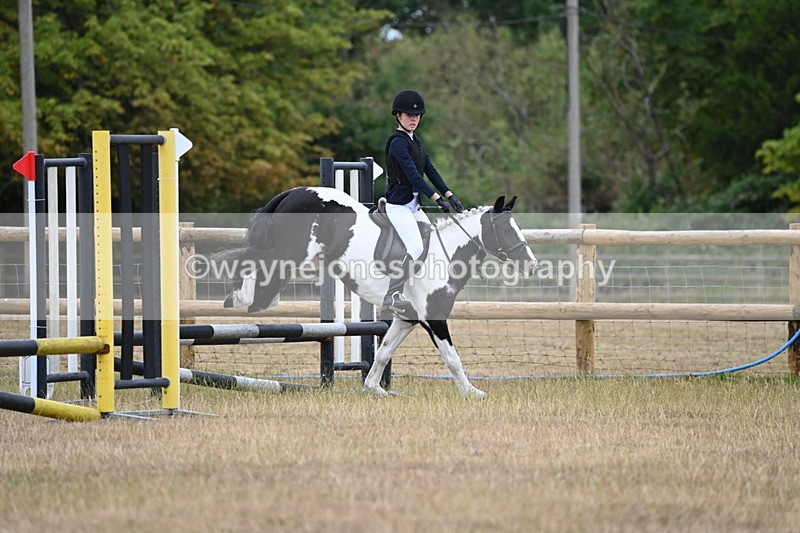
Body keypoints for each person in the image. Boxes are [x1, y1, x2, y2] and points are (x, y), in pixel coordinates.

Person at [382, 89, 465, 316]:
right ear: (398, 116)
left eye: (417, 116)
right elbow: (413, 176)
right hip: (398, 206)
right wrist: (436, 198)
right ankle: (392, 295)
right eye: (409, 115)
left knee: (432, 241)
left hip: (413, 205)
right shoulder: (397, 143)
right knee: (416, 247)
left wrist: (450, 194)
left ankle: (418, 288)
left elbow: (429, 169)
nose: (413, 119)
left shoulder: (415, 141)